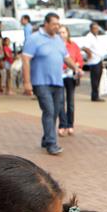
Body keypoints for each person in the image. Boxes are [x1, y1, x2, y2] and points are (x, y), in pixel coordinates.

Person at [22, 13, 82, 156]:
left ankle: (45, 138)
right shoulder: (34, 39)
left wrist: (76, 68)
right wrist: (27, 82)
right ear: (46, 24)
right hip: (40, 82)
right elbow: (25, 60)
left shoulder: (58, 40)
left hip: (57, 81)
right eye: (54, 24)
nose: (56, 27)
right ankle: (51, 144)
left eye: (58, 24)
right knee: (48, 110)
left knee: (55, 111)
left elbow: (66, 58)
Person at [58, 25, 84, 137]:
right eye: (60, 32)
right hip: (58, 76)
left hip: (70, 76)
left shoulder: (73, 46)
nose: (62, 34)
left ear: (67, 33)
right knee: (60, 101)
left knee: (70, 102)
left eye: (64, 32)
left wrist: (76, 66)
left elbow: (79, 60)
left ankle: (70, 124)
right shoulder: (55, 45)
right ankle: (62, 124)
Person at [77, 22, 106, 102]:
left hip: (99, 59)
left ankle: (96, 94)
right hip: (94, 61)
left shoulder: (96, 37)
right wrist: (89, 54)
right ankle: (94, 96)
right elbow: (84, 47)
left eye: (97, 28)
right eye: (94, 28)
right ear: (91, 29)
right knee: (95, 79)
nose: (96, 30)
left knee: (99, 78)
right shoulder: (89, 37)